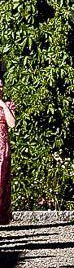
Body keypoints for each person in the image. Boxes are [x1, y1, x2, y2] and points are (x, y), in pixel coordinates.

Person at [0, 77, 14, 226]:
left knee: (1, 183)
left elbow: (12, 124)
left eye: (1, 86)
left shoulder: (8, 105)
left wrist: (3, 106)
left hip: (2, 150)